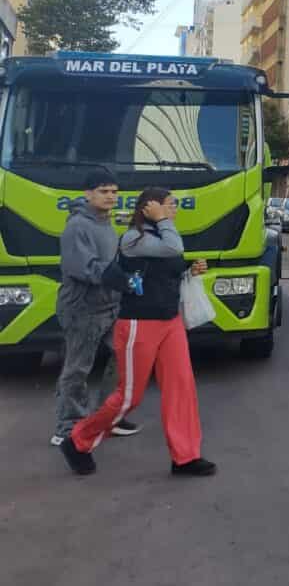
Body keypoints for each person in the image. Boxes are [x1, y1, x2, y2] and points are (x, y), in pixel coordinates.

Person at [60, 188, 216, 477]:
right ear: (150, 208)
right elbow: (173, 248)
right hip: (138, 324)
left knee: (181, 388)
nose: (174, 211)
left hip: (169, 322)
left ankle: (185, 457)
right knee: (129, 397)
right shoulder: (133, 238)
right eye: (169, 205)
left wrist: (188, 270)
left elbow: (165, 266)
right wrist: (162, 221)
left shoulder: (159, 237)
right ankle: (78, 441)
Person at [52, 168, 140, 448]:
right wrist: (117, 276)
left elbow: (109, 263)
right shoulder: (78, 226)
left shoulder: (105, 222)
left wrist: (126, 273)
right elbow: (83, 267)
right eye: (104, 191)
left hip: (109, 306)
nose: (111, 197)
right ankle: (68, 427)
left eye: (114, 192)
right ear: (87, 193)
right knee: (78, 369)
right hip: (82, 309)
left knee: (123, 357)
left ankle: (106, 417)